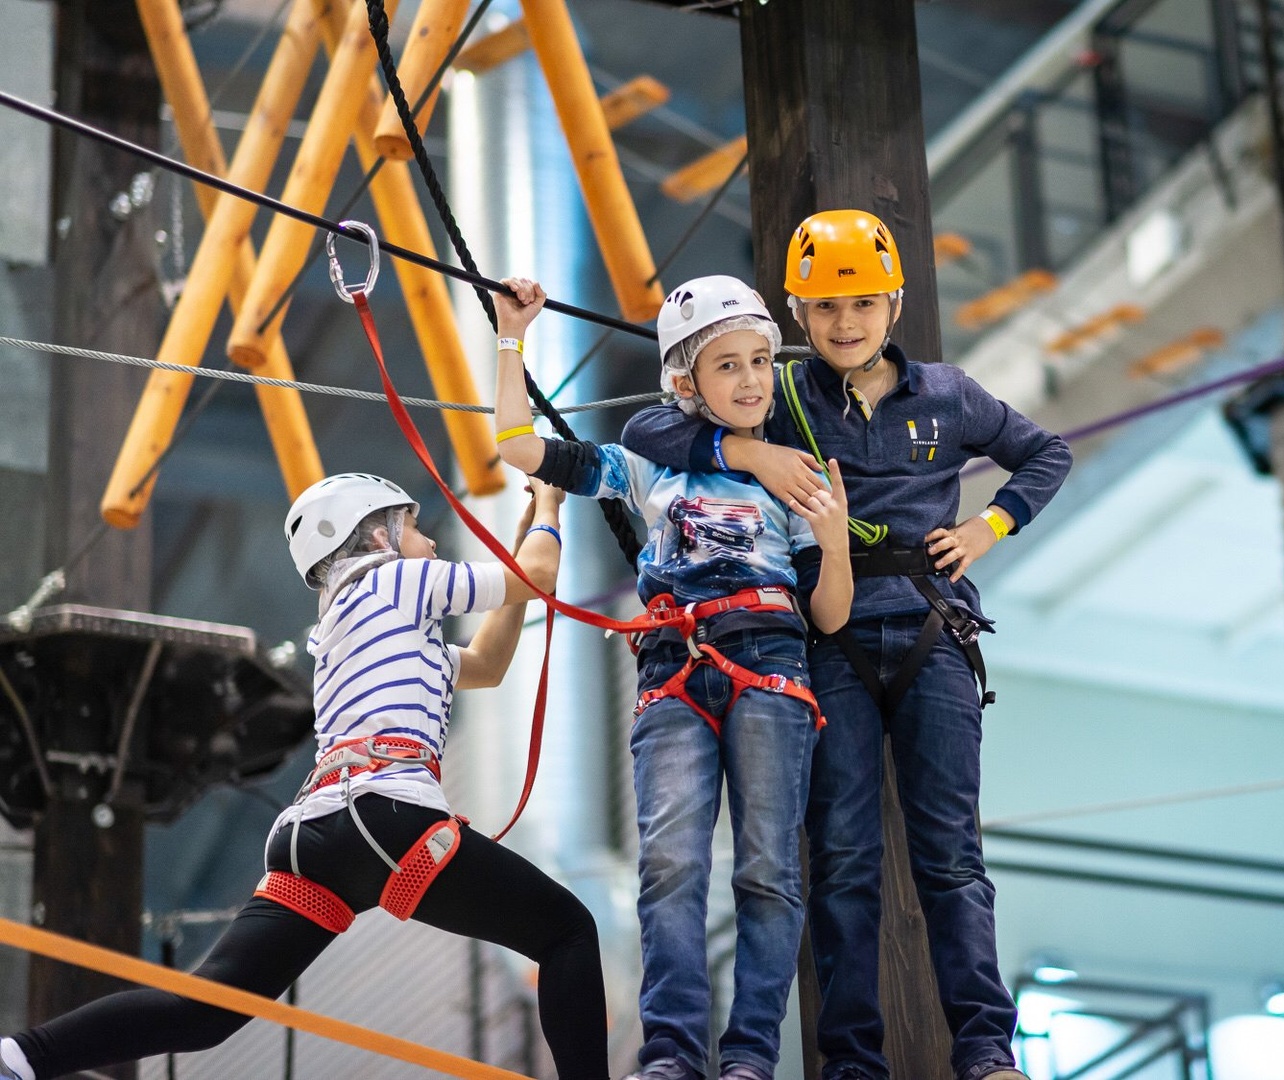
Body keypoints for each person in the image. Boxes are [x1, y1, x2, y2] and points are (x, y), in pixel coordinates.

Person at [619, 210, 1073, 1080]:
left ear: (894, 302)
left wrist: (988, 527)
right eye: (824, 308)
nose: (844, 323)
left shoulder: (947, 393)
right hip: (830, 640)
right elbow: (650, 434)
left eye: (862, 303)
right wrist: (745, 455)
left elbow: (1043, 453)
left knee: (951, 854)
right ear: (796, 313)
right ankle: (851, 1059)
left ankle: (985, 1047)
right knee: (844, 858)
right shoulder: (780, 394)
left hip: (935, 629)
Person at [0, 473, 611, 1080]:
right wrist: (552, 505)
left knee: (208, 1008)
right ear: (379, 537)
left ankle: (21, 1058)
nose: (430, 543)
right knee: (568, 932)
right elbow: (539, 578)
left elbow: (487, 664)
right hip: (382, 813)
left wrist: (526, 532)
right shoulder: (395, 579)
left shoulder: (360, 627)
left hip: (313, 835)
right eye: (418, 528)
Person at [490, 275, 853, 1080]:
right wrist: (511, 337)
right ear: (686, 382)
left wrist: (833, 543)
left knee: (767, 869)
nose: (754, 379)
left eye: (761, 360)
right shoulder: (649, 464)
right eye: (729, 367)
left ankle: (752, 1055)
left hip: (771, 666)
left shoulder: (791, 475)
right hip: (677, 668)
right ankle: (675, 1055)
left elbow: (829, 616)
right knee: (671, 865)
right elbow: (516, 445)